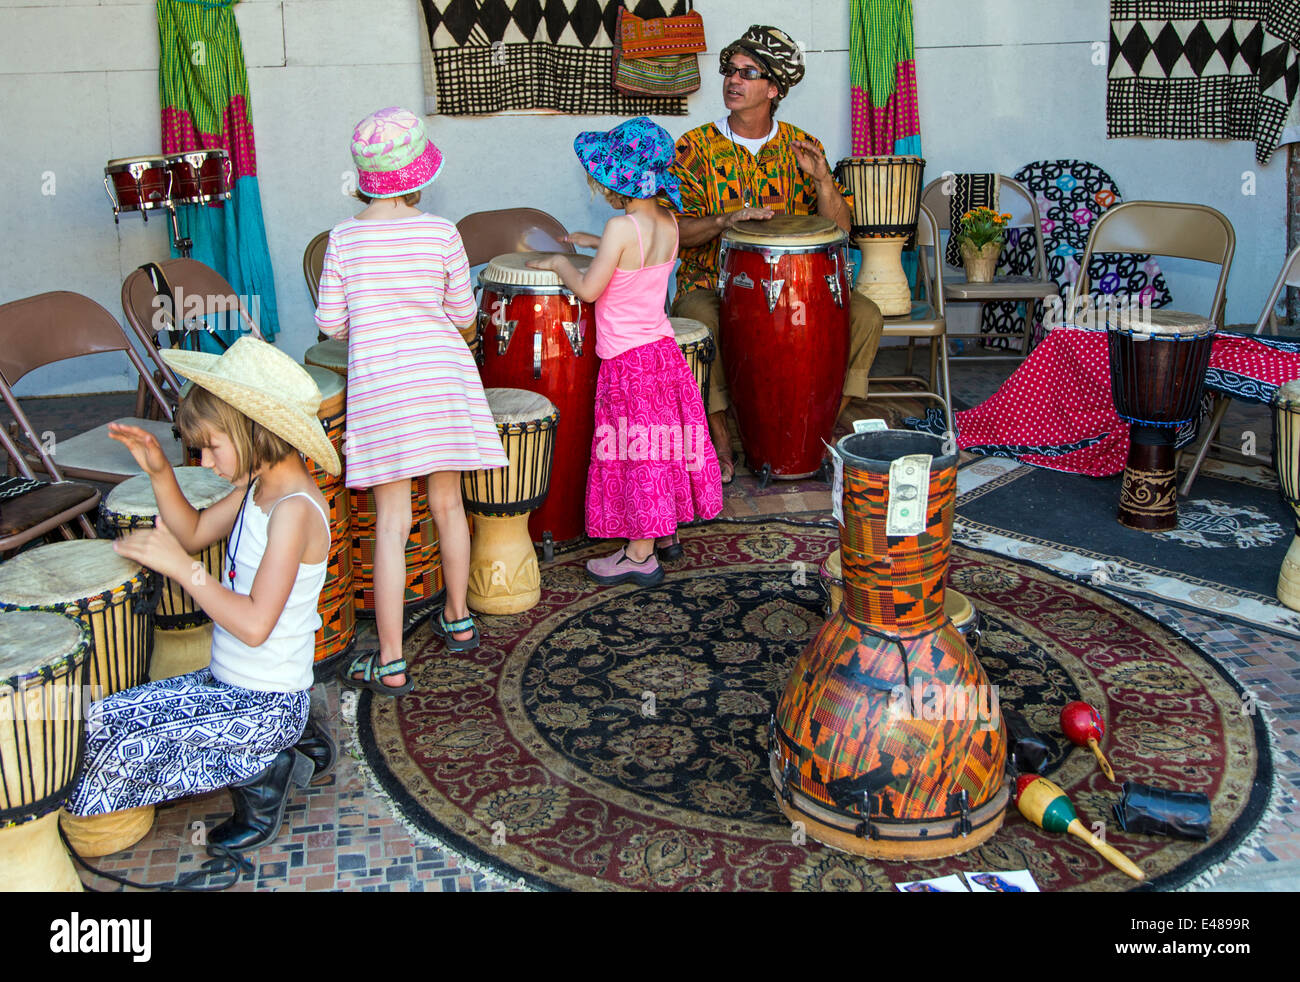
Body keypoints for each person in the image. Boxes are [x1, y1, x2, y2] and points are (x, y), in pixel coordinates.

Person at [66, 338, 340, 853]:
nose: (207, 461)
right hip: (230, 682)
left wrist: (185, 572)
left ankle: (266, 768)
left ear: (255, 431)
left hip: (264, 703)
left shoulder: (294, 511)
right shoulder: (254, 486)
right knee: (97, 720)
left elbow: (256, 624)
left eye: (213, 446)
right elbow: (192, 532)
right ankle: (293, 738)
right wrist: (158, 471)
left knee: (112, 757)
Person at [315, 107, 508, 692]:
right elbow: (461, 315)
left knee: (393, 520)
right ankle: (459, 617)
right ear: (418, 176)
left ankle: (393, 658)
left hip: (384, 387)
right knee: (449, 505)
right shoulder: (442, 232)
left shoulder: (343, 239)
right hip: (442, 380)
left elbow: (329, 324)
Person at [670, 24, 885, 483]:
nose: (733, 79)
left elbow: (840, 230)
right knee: (698, 319)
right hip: (714, 283)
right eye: (729, 70)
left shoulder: (802, 145)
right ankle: (721, 438)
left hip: (797, 290)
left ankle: (813, 429)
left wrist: (824, 180)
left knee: (865, 314)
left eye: (748, 73)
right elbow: (673, 232)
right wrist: (724, 220)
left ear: (773, 88)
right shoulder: (693, 149)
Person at [526, 118, 722, 586]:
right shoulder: (670, 224)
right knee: (662, 445)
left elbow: (591, 290)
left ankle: (639, 555)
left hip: (628, 363)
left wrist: (559, 262)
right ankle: (665, 531)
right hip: (661, 354)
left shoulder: (620, 226)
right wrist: (597, 245)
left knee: (639, 454)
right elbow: (643, 258)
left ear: (619, 177)